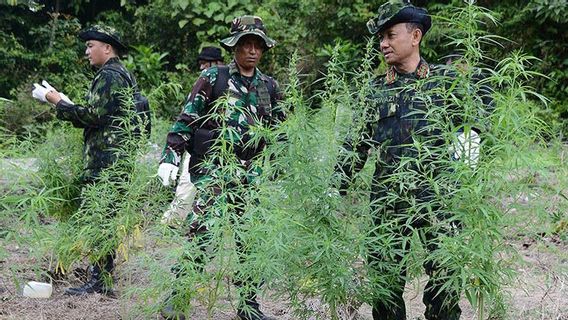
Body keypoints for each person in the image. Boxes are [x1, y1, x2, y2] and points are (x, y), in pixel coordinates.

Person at [342, 1, 485, 319]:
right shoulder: (376, 90)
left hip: (439, 199)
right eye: (381, 37)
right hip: (388, 201)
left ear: (415, 35)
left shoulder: (446, 82)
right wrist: (333, 189)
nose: (383, 44)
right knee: (385, 288)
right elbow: (356, 146)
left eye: (390, 35)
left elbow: (471, 123)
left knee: (446, 284)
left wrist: (467, 151)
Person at [157, 15, 283, 320]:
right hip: (216, 171)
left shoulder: (269, 86)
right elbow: (186, 120)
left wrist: (285, 169)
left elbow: (280, 133)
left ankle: (249, 305)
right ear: (234, 47)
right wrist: (169, 158)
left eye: (257, 45)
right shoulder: (215, 79)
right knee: (201, 235)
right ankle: (178, 297)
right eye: (245, 44)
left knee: (250, 241)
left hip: (251, 175)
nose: (252, 50)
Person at [31, 24, 141, 296]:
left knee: (101, 218)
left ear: (107, 48)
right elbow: (104, 113)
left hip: (106, 162)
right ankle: (101, 277)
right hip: (114, 159)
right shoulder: (120, 74)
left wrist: (57, 101)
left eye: (91, 45)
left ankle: (100, 280)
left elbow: (93, 116)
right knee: (104, 217)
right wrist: (67, 104)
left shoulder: (109, 75)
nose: (87, 51)